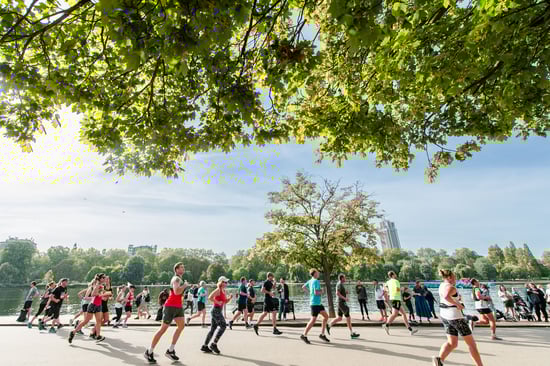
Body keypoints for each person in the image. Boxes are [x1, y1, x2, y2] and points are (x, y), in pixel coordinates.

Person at [432, 269, 483, 366]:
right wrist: (458, 304)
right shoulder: (451, 287)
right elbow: (447, 296)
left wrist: (456, 300)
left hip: (445, 316)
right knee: (471, 344)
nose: (456, 279)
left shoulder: (441, 285)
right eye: (454, 276)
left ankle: (439, 360)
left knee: (452, 343)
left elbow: (446, 298)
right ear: (450, 277)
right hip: (455, 317)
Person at [144, 262, 188, 363]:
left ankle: (170, 350)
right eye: (181, 267)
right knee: (163, 330)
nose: (183, 269)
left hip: (178, 307)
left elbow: (178, 294)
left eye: (183, 267)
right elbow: (177, 292)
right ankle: (149, 351)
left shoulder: (179, 279)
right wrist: (185, 285)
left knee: (181, 326)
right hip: (170, 306)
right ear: (176, 270)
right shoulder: (176, 279)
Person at [69, 274, 108, 343]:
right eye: (104, 278)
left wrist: (103, 296)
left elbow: (99, 295)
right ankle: (73, 332)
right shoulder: (97, 285)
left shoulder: (102, 286)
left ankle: (98, 336)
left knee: (98, 321)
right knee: (86, 321)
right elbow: (93, 294)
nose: (105, 279)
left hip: (99, 305)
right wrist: (101, 295)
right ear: (101, 279)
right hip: (93, 305)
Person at [200, 276, 233, 354]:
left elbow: (224, 302)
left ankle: (204, 346)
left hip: (218, 311)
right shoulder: (218, 290)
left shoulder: (223, 291)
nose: (226, 283)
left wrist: (230, 298)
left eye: (226, 282)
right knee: (223, 326)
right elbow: (210, 297)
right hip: (215, 310)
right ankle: (213, 344)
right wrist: (217, 302)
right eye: (225, 282)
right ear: (221, 283)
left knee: (213, 329)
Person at [382, 271, 418, 336]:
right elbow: (398, 289)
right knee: (395, 314)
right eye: (395, 274)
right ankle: (386, 325)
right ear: (393, 275)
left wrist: (389, 291)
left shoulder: (388, 282)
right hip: (396, 299)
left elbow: (384, 287)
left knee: (403, 314)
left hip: (393, 299)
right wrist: (404, 289)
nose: (396, 275)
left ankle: (410, 329)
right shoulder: (396, 281)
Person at [300, 268, 330, 344]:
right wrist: (322, 291)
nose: (318, 274)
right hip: (315, 303)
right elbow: (316, 292)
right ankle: (304, 335)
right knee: (313, 320)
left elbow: (303, 287)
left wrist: (310, 293)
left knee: (326, 316)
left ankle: (322, 334)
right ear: (315, 274)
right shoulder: (316, 281)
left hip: (318, 303)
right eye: (317, 272)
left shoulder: (310, 280)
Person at [329, 274, 360, 339]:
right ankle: (352, 333)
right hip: (341, 302)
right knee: (348, 317)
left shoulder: (340, 284)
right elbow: (337, 293)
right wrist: (345, 298)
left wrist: (345, 292)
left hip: (340, 302)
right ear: (342, 278)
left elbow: (340, 292)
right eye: (344, 278)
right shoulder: (339, 284)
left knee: (339, 318)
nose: (345, 279)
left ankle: (328, 325)